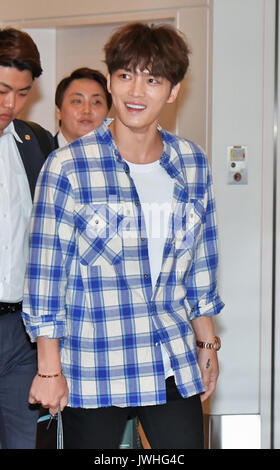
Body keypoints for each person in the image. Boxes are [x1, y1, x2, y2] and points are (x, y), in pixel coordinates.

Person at [22, 22, 224, 449]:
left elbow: (201, 262)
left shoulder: (191, 163)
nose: (136, 91)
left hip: (169, 357)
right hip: (94, 366)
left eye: (152, 80)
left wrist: (206, 341)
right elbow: (45, 276)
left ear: (173, 91)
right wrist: (48, 369)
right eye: (126, 75)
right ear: (111, 81)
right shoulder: (68, 167)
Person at [0, 27, 54, 449]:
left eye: (22, 93)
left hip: (22, 333)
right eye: (1, 90)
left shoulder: (34, 142)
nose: (10, 104)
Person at [54, 67, 112, 146]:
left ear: (107, 113)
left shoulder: (118, 156)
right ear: (58, 111)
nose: (87, 110)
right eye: (77, 101)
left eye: (96, 102)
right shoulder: (40, 156)